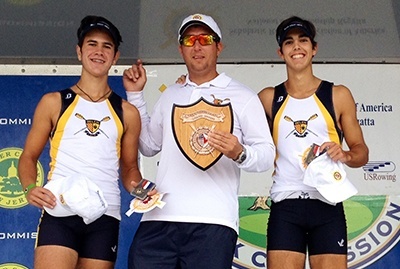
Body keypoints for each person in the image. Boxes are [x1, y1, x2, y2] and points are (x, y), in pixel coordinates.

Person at [122, 13, 276, 269]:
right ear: (181, 49)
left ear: (219, 47)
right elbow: (148, 145)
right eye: (189, 39)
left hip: (213, 222)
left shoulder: (242, 96)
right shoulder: (171, 94)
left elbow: (266, 155)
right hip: (158, 219)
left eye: (205, 39)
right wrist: (135, 95)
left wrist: (240, 152)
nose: (197, 46)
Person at [18, 15, 149, 269]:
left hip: (105, 216)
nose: (99, 51)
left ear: (115, 56)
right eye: (92, 44)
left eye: (106, 46)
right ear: (79, 52)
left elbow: (130, 169)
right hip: (60, 210)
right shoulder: (54, 102)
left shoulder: (127, 112)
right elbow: (28, 157)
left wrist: (144, 192)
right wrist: (29, 188)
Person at [258, 16, 369, 269]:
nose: (296, 47)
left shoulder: (337, 95)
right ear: (280, 52)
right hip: (286, 204)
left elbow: (361, 152)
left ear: (314, 48)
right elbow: (241, 130)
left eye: (303, 40)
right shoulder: (267, 98)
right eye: (289, 42)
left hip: (327, 203)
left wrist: (345, 155)